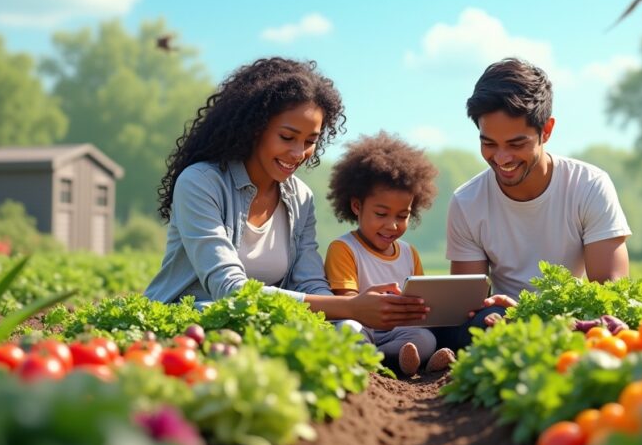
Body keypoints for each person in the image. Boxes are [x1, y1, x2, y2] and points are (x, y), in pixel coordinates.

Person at [144, 57, 429, 330]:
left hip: (267, 322)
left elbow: (310, 283)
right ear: (255, 128)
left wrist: (352, 315)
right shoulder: (200, 183)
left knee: (350, 330)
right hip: (197, 319)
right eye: (287, 137)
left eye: (310, 141)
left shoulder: (300, 197)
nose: (298, 153)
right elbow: (230, 290)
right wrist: (351, 306)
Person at [436, 57, 632, 350]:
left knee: (611, 325)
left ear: (547, 130)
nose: (501, 159)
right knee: (475, 326)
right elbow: (467, 307)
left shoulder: (589, 185)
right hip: (500, 319)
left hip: (572, 319)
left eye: (516, 144)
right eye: (489, 143)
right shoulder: (467, 201)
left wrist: (531, 316)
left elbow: (610, 292)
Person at [323, 132, 456, 375]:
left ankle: (396, 359)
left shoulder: (409, 253)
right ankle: (386, 360)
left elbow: (421, 302)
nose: (392, 225)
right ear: (356, 206)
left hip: (399, 331)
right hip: (363, 325)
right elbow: (349, 303)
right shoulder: (344, 248)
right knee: (349, 330)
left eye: (402, 216)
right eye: (381, 214)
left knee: (425, 338)